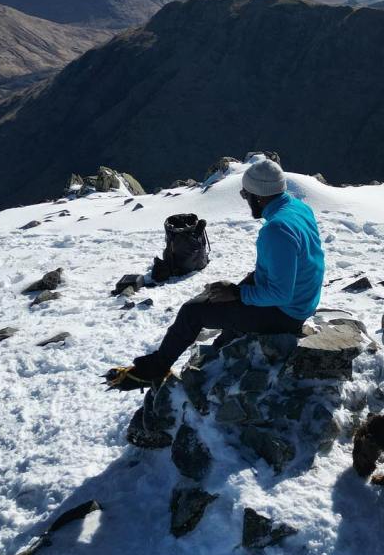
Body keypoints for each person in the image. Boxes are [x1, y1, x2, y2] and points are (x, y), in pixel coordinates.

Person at [105, 158, 324, 388]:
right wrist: (236, 291)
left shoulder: (276, 230)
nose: (244, 198)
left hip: (287, 313)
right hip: (303, 300)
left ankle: (156, 368)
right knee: (220, 295)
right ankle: (226, 339)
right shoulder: (299, 208)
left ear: (258, 196)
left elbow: (280, 294)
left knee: (193, 312)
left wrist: (239, 293)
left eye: (245, 194)